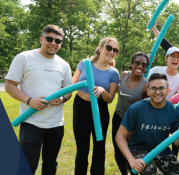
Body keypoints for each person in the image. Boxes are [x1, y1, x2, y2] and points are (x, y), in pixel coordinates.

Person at [5, 25, 72, 174]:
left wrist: (62, 98)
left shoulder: (64, 65)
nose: (53, 43)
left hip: (55, 124)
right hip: (31, 122)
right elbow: (10, 86)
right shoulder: (24, 58)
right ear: (41, 39)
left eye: (58, 40)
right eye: (49, 39)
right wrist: (30, 100)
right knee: (28, 165)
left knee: (50, 164)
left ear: (61, 43)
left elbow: (69, 92)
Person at [116, 73, 179, 175]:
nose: (157, 92)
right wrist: (131, 160)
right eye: (153, 88)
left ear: (168, 91)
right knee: (149, 171)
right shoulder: (136, 108)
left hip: (162, 150)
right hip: (140, 149)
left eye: (162, 88)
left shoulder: (174, 111)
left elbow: (177, 143)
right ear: (148, 91)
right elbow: (120, 137)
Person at [71, 37, 120, 175]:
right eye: (109, 48)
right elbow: (71, 85)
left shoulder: (113, 73)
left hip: (100, 110)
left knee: (99, 148)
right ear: (100, 48)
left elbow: (110, 99)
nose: (112, 52)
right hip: (80, 107)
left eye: (115, 50)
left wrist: (103, 91)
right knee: (82, 149)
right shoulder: (85, 63)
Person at [112, 52, 149, 175]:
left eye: (143, 65)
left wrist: (133, 128)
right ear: (132, 64)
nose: (140, 66)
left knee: (130, 152)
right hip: (117, 117)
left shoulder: (146, 85)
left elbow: (144, 109)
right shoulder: (123, 76)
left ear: (145, 69)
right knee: (117, 151)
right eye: (137, 63)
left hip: (133, 123)